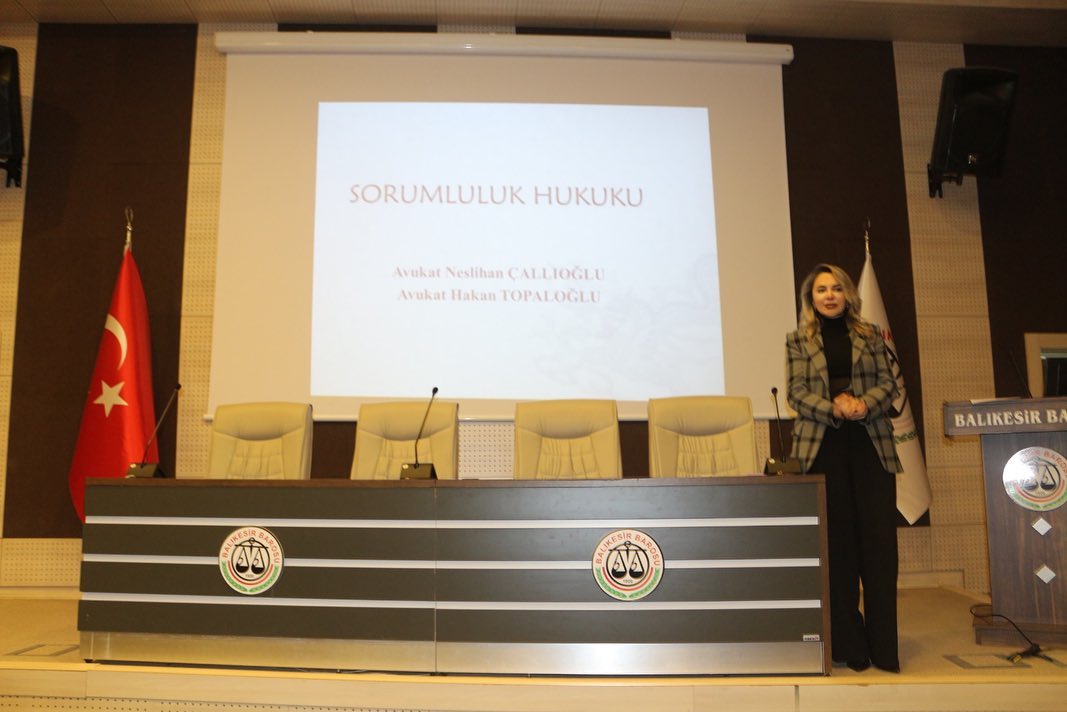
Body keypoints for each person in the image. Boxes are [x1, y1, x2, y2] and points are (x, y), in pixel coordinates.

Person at [786, 263, 902, 673]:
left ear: (848, 294)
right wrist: (834, 407)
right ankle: (851, 644)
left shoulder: (871, 334)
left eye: (836, 288)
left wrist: (864, 403)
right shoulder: (798, 340)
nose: (830, 295)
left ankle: (885, 648)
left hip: (871, 445)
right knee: (837, 549)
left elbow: (889, 384)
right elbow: (796, 393)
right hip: (823, 449)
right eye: (821, 290)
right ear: (811, 298)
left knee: (879, 548)